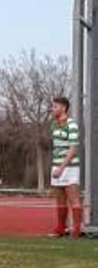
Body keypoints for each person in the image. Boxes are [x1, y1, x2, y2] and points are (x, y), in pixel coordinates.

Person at [49, 96, 83, 238]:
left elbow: (73, 148)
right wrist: (56, 167)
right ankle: (61, 228)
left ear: (63, 108)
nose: (52, 109)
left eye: (55, 106)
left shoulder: (72, 124)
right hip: (56, 166)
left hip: (69, 167)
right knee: (60, 199)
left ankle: (76, 230)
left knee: (73, 197)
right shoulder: (53, 124)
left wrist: (62, 167)